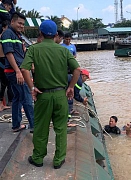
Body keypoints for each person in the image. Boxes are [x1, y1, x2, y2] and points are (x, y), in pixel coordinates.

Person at [20, 20, 81, 169]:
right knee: (61, 129)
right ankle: (59, 160)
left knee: (41, 128)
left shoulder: (34, 49)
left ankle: (38, 158)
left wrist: (32, 87)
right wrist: (71, 87)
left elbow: (24, 70)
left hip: (43, 96)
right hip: (61, 95)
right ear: (55, 35)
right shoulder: (64, 50)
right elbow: (77, 70)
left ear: (40, 33)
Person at [1, 12, 34, 132]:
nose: (21, 26)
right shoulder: (8, 34)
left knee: (18, 98)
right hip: (15, 71)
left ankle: (16, 125)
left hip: (16, 71)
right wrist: (18, 72)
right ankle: (34, 126)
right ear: (12, 22)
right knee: (26, 97)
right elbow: (9, 53)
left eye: (23, 24)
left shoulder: (17, 35)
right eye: (19, 23)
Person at [0, 20, 13, 111]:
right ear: (4, 28)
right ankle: (1, 104)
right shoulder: (3, 37)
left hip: (3, 61)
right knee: (4, 83)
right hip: (2, 61)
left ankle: (3, 103)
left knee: (5, 84)